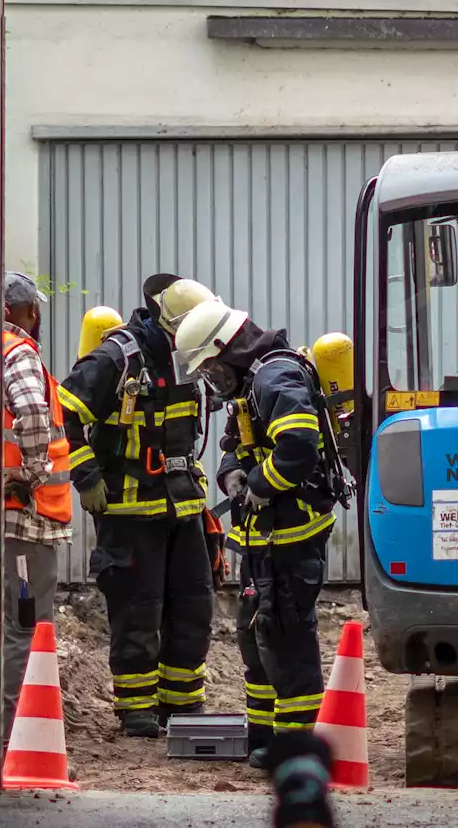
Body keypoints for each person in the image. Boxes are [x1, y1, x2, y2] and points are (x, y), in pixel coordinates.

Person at [172, 299, 351, 768]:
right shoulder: (253, 386)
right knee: (256, 636)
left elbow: (299, 445)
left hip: (291, 537)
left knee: (287, 638)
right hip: (263, 539)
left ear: (226, 349)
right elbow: (235, 444)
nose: (212, 381)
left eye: (211, 369)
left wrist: (258, 486)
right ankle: (263, 736)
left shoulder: (276, 377)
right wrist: (231, 474)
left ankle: (294, 749)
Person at [58, 274, 219, 737]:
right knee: (137, 607)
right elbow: (64, 409)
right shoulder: (118, 356)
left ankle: (182, 703)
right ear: (170, 322)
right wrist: (86, 475)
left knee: (192, 602)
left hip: (182, 504)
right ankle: (137, 709)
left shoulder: (190, 354)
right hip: (128, 510)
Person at [0, 271, 74, 756]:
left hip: (11, 520)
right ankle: (17, 742)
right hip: (28, 519)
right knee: (27, 629)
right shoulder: (19, 354)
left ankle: (7, 735)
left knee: (12, 624)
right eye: (34, 308)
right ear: (20, 312)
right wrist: (32, 472)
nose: (38, 316)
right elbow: (31, 415)